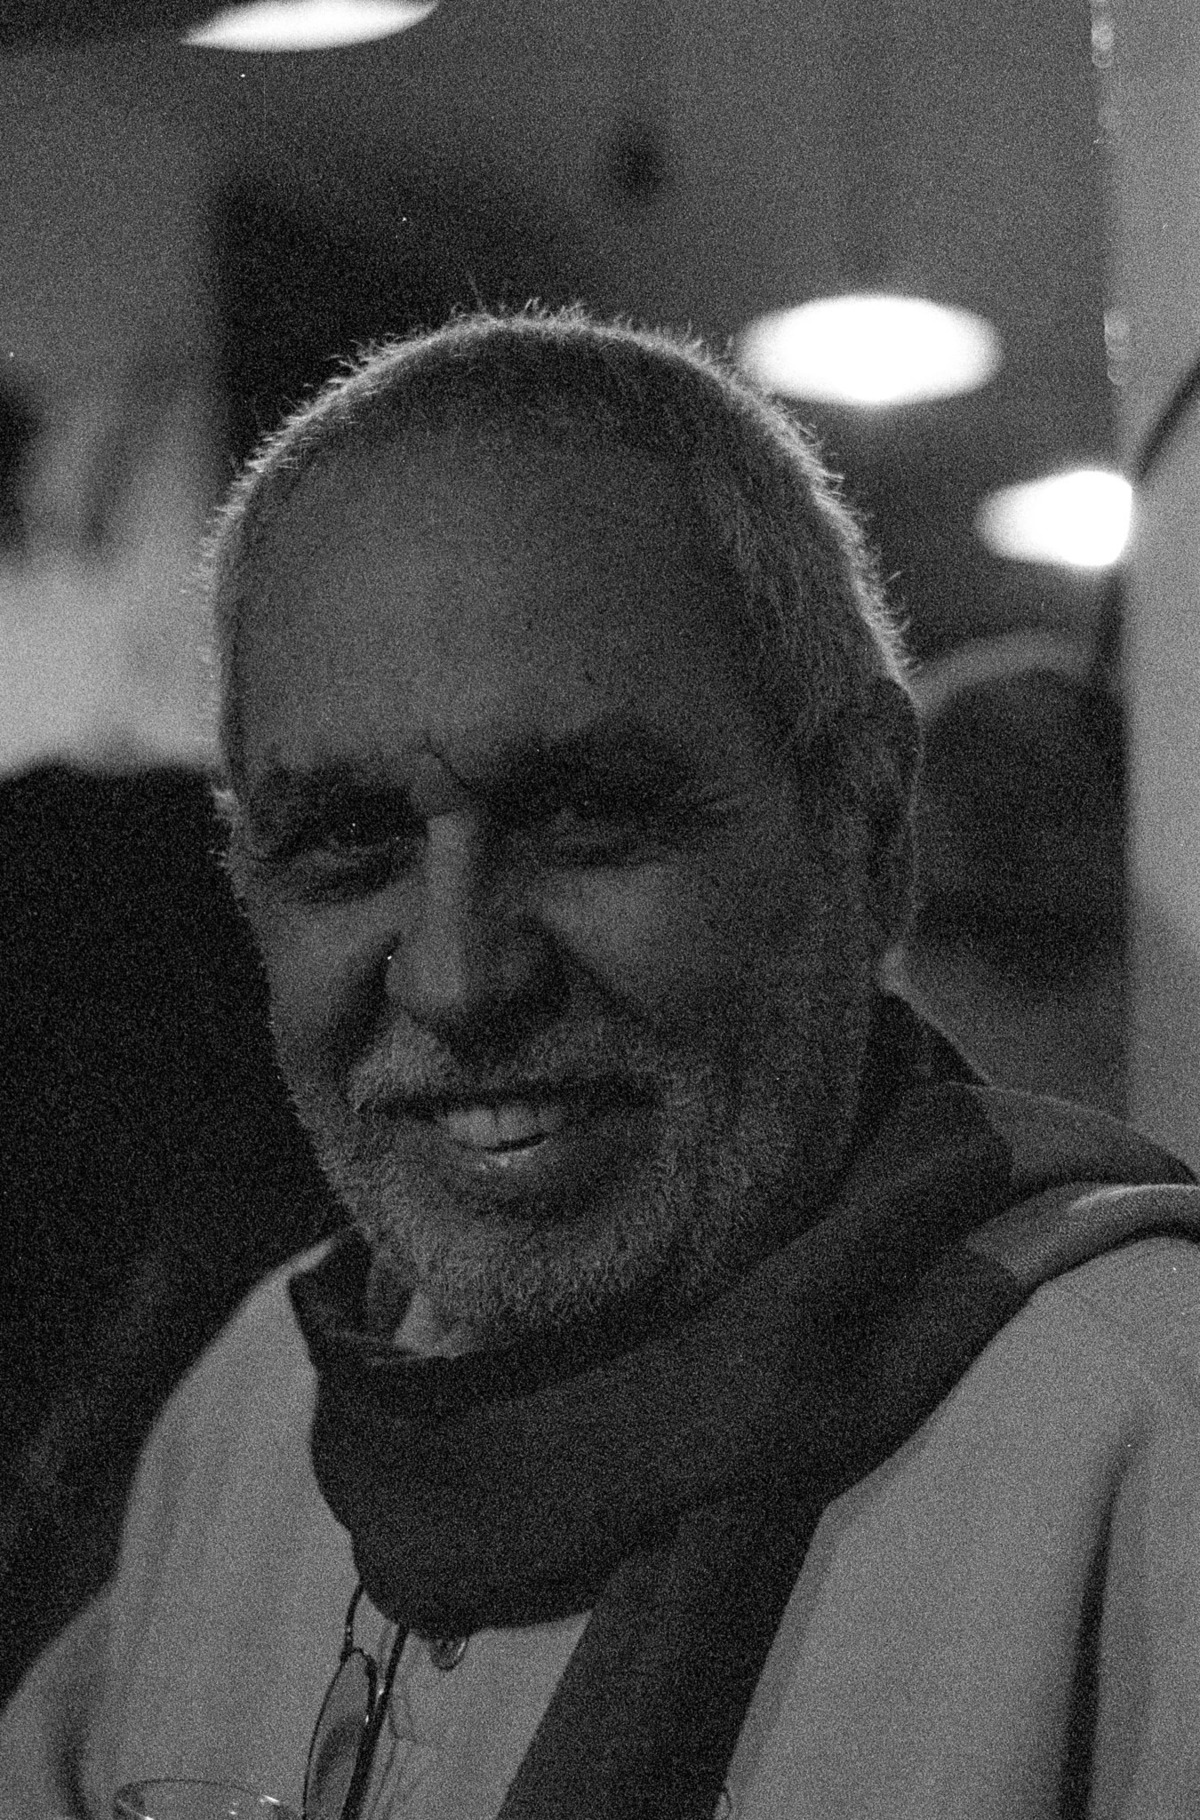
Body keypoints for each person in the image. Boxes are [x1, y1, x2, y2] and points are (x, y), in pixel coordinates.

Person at [3, 304, 1200, 1820]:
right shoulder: (255, 1409)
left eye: (586, 819)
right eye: (347, 844)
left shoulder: (1145, 1449)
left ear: (865, 824)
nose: (459, 980)